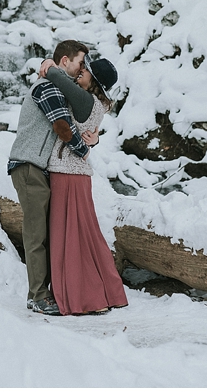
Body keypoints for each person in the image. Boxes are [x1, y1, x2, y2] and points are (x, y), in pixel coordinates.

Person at [38, 54, 128, 316]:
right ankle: (105, 293)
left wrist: (49, 63)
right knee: (84, 235)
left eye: (85, 71)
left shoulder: (84, 99)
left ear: (95, 82)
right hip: (75, 172)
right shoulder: (94, 102)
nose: (80, 72)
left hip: (67, 173)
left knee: (68, 238)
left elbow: (57, 78)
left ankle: (83, 298)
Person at [7, 39, 90, 316]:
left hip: (38, 169)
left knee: (45, 233)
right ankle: (38, 297)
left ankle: (49, 293)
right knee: (36, 235)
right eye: (79, 62)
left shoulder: (58, 88)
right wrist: (83, 150)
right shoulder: (48, 87)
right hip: (29, 166)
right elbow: (62, 127)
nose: (82, 69)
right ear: (64, 61)